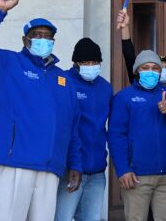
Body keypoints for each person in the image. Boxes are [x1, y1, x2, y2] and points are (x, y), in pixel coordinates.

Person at [0, 0, 82, 221]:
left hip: (49, 168)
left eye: (47, 36)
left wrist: (74, 164)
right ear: (25, 40)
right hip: (11, 163)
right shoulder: (5, 62)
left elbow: (72, 126)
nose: (43, 39)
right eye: (37, 35)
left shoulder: (64, 80)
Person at [108, 49, 166, 221]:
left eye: (155, 68)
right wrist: (123, 169)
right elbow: (116, 136)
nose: (151, 72)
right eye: (145, 67)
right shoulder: (123, 98)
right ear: (136, 71)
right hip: (136, 176)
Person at [55, 38, 113, 221]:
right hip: (69, 170)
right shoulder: (63, 82)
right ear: (75, 63)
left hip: (96, 172)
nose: (91, 66)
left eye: (95, 62)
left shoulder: (105, 87)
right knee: (62, 218)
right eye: (85, 62)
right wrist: (72, 164)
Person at [116, 9, 166, 86]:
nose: (164, 71)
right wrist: (125, 27)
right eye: (158, 68)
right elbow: (129, 56)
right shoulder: (140, 84)